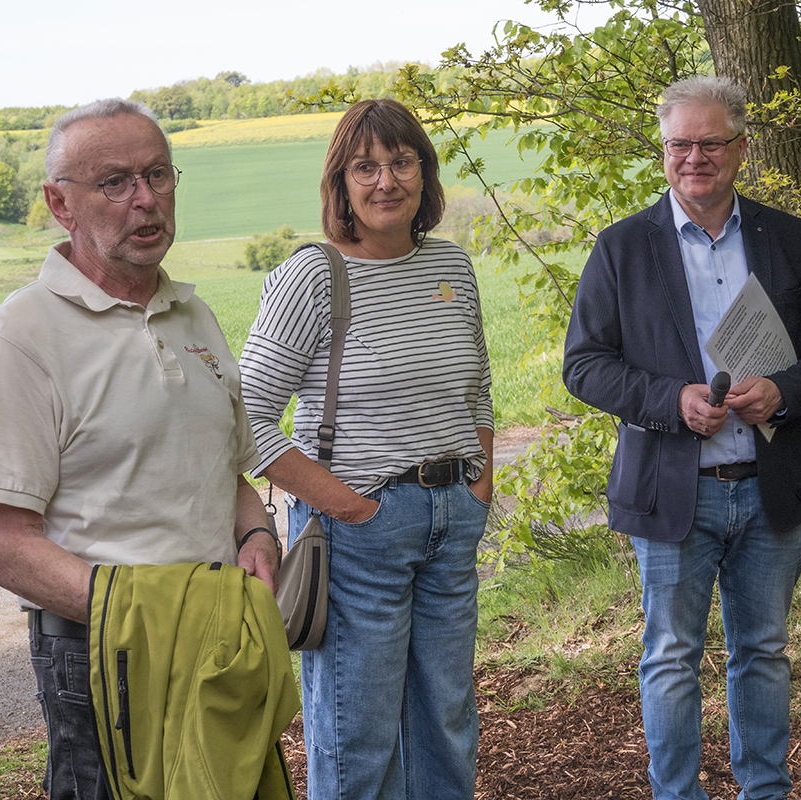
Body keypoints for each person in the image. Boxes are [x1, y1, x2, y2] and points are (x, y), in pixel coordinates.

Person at [0, 98, 283, 799]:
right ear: (59, 203)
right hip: (102, 650)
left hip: (220, 643)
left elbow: (225, 475)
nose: (146, 200)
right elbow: (4, 547)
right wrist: (148, 616)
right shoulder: (24, 335)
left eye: (159, 175)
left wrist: (256, 536)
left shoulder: (193, 314)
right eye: (115, 182)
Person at [562, 76, 801, 800]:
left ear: (741, 149)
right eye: (679, 144)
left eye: (710, 143)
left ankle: (765, 792)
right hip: (671, 493)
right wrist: (671, 400)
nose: (695, 157)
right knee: (669, 658)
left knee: (763, 654)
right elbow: (584, 365)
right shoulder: (623, 247)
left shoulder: (787, 238)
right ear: (664, 151)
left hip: (769, 487)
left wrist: (785, 390)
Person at [239, 98, 494, 800]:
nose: (387, 181)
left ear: (425, 173)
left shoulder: (451, 267)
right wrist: (350, 509)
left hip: (453, 520)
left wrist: (479, 488)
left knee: (446, 718)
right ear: (341, 184)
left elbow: (479, 390)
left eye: (401, 162)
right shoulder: (314, 276)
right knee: (358, 734)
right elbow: (244, 415)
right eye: (366, 167)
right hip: (361, 534)